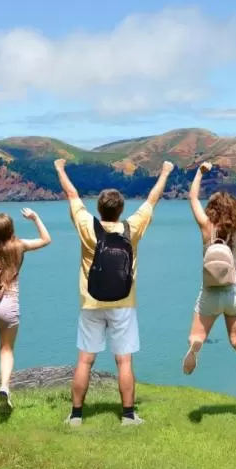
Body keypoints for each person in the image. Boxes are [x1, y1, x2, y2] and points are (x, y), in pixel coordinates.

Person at [54, 157, 174, 427]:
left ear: (99, 208)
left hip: (91, 301)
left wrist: (60, 169)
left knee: (85, 360)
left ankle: (76, 416)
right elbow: (152, 199)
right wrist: (165, 171)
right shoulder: (131, 229)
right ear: (121, 210)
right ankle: (128, 415)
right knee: (124, 361)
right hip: (124, 302)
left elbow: (71, 194)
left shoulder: (87, 226)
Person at [181, 158, 236, 387]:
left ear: (213, 209)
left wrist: (200, 172)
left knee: (197, 335)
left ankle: (195, 348)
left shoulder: (207, 227)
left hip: (209, 291)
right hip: (235, 291)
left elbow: (192, 197)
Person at [0, 208, 51, 417]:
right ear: (10, 230)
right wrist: (35, 217)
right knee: (6, 350)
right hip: (9, 305)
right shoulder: (19, 246)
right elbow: (46, 239)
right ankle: (4, 387)